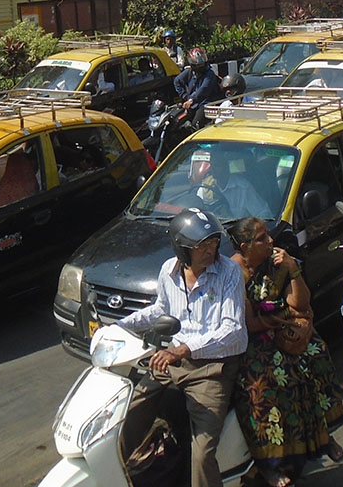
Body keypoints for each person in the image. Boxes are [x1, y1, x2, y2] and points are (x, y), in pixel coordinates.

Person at [118, 208, 247, 487]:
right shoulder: (169, 271)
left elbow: (232, 329)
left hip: (212, 368)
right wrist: (119, 327)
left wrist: (182, 350)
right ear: (182, 249)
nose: (210, 250)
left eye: (213, 242)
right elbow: (160, 311)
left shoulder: (229, 272)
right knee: (127, 414)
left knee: (202, 454)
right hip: (173, 361)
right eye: (202, 246)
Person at [227, 217, 343, 487]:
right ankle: (269, 462)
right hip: (254, 342)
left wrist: (293, 270)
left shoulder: (279, 262)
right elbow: (251, 323)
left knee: (315, 355)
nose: (270, 242)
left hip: (284, 331)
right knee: (268, 383)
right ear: (245, 247)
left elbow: (300, 302)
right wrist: (284, 315)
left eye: (268, 236)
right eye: (261, 239)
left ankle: (321, 436)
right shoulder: (234, 273)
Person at [174, 48, 223, 117]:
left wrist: (191, 100)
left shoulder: (209, 74)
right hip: (192, 104)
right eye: (198, 65)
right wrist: (185, 96)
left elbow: (204, 89)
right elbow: (177, 81)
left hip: (206, 104)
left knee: (196, 123)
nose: (201, 66)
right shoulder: (189, 72)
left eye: (202, 64)